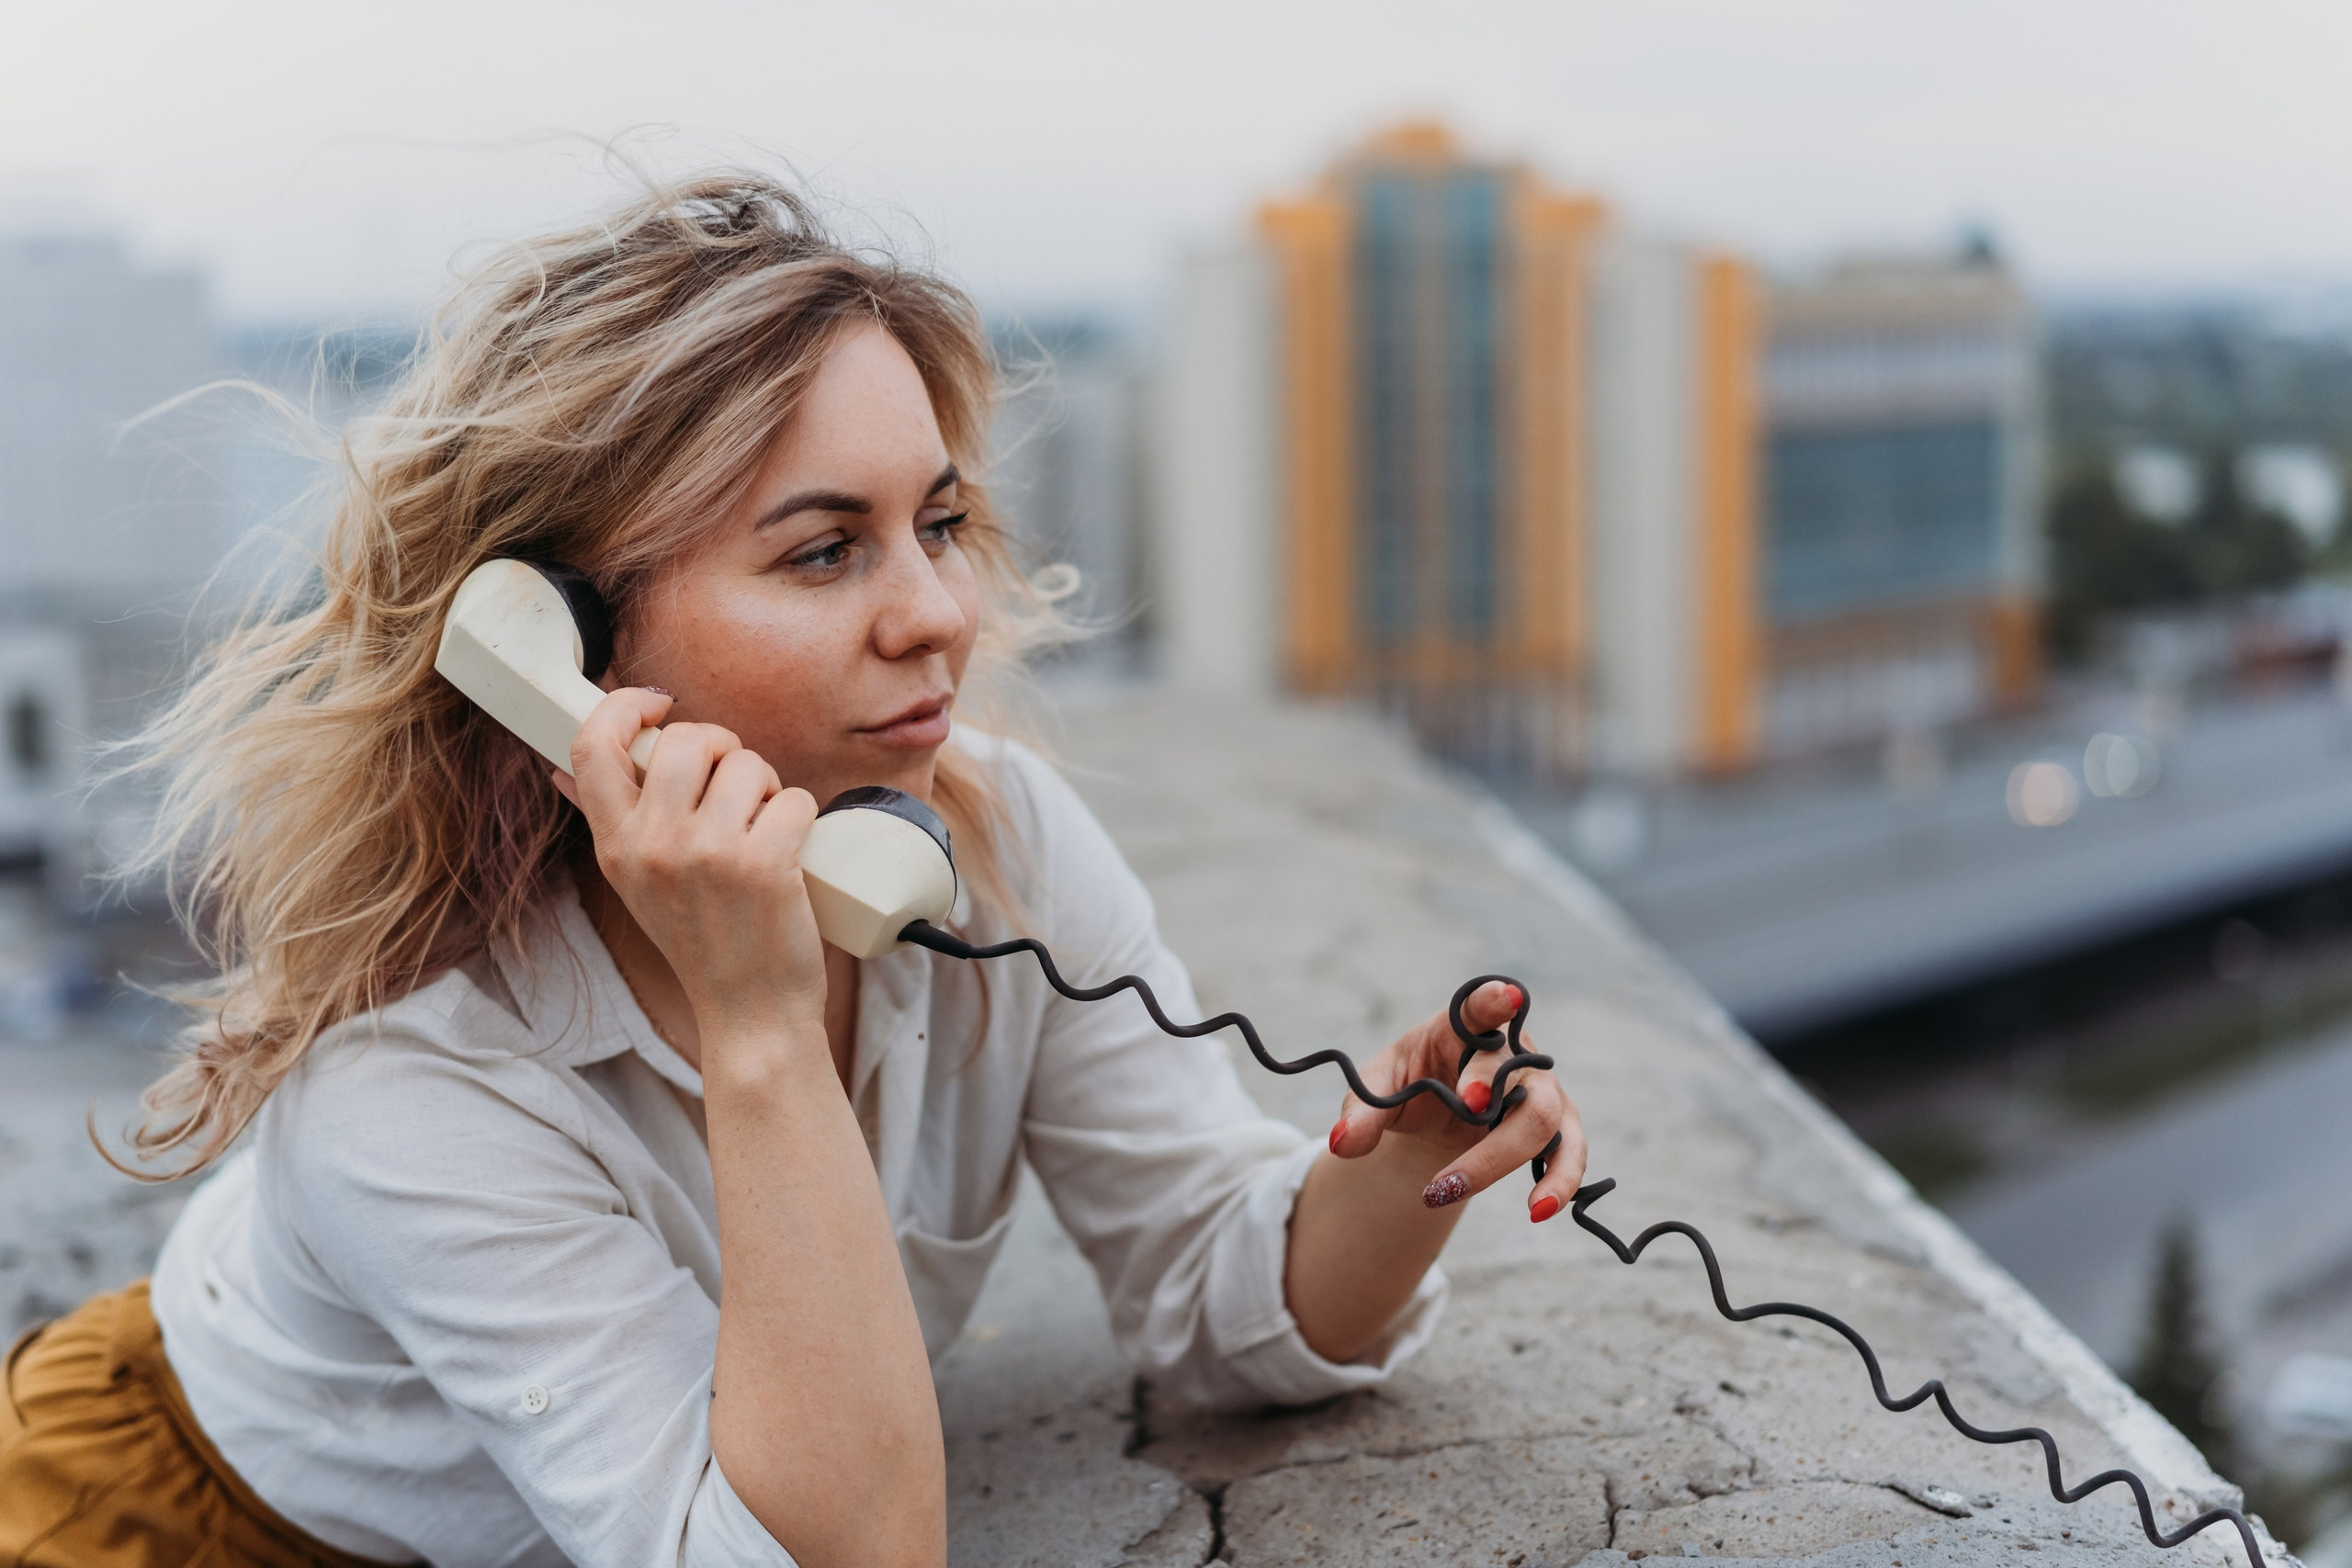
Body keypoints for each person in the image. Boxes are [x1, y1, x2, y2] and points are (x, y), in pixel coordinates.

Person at [0, 175, 1587, 1568]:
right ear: (551, 643)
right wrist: (760, 1026)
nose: (938, 614)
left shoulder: (992, 844)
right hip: (184, 1526)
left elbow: (1221, 1294)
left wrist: (1404, 1164)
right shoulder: (413, 1078)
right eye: (825, 551)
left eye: (940, 523)